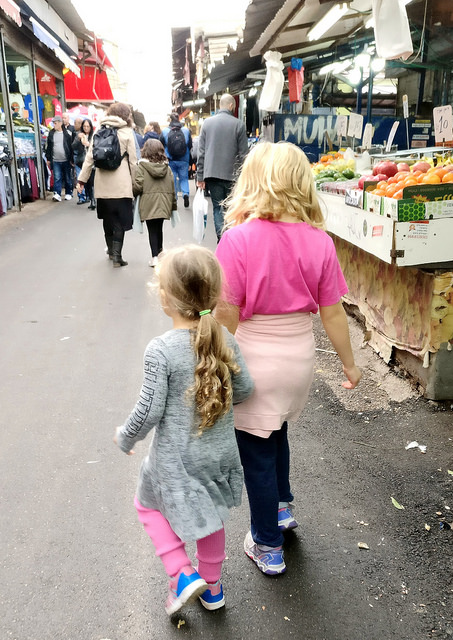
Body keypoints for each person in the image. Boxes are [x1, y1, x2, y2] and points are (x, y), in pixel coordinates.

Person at [214, 141, 361, 576]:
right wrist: (350, 364)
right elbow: (333, 313)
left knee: (256, 450)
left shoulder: (237, 240)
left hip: (254, 359)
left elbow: (227, 314)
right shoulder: (320, 241)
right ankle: (281, 508)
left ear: (254, 182)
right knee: (276, 430)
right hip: (298, 358)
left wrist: (213, 364)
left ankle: (267, 544)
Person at [114, 245, 254, 615]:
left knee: (146, 506)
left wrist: (125, 436)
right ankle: (212, 589)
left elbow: (148, 411)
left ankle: (180, 572)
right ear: (214, 294)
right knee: (211, 517)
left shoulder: (161, 350)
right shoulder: (225, 338)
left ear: (166, 298)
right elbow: (244, 390)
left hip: (175, 461)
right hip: (219, 455)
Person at [77, 102, 137, 267]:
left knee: (107, 219)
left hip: (102, 184)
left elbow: (89, 158)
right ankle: (117, 256)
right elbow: (133, 162)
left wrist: (81, 180)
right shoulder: (127, 132)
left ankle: (110, 251)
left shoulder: (99, 130)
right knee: (119, 221)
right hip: (121, 185)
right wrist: (136, 184)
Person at [196, 94, 248, 241]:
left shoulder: (207, 123)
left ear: (220, 105)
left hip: (212, 174)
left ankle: (222, 237)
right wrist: (246, 176)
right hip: (233, 175)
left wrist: (200, 176)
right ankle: (230, 238)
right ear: (231, 106)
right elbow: (244, 154)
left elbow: (201, 152)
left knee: (218, 207)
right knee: (232, 207)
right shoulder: (239, 124)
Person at [133, 139, 176, 267]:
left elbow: (138, 186)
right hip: (164, 202)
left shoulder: (141, 166)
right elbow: (172, 187)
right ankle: (160, 253)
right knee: (159, 228)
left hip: (148, 203)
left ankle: (155, 257)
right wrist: (173, 205)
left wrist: (133, 192)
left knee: (152, 230)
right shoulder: (166, 167)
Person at [161, 113, 192, 208]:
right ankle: (185, 194)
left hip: (171, 159)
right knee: (184, 178)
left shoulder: (165, 131)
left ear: (170, 120)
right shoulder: (186, 130)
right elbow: (190, 145)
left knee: (172, 179)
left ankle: (174, 198)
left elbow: (161, 145)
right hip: (184, 159)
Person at [45, 115, 74, 202]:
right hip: (55, 160)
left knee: (67, 177)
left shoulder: (67, 134)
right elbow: (49, 147)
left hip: (66, 159)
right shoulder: (51, 133)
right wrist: (48, 159)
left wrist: (71, 159)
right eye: (54, 123)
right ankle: (57, 193)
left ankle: (68, 193)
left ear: (60, 123)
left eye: (55, 123)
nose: (54, 125)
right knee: (57, 177)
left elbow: (70, 147)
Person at [73, 118, 96, 210]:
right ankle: (89, 198)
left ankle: (93, 200)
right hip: (82, 162)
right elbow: (73, 146)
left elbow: (96, 147)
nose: (86, 128)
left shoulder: (94, 136)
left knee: (92, 182)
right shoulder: (79, 135)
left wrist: (88, 144)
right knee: (86, 182)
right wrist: (78, 139)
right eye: (84, 126)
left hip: (92, 162)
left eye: (88, 126)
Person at [72, 116, 86, 204]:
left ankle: (84, 196)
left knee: (82, 177)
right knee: (80, 177)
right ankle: (82, 196)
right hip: (78, 158)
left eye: (75, 123)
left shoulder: (83, 134)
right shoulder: (76, 133)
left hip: (83, 158)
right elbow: (73, 146)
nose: (74, 125)